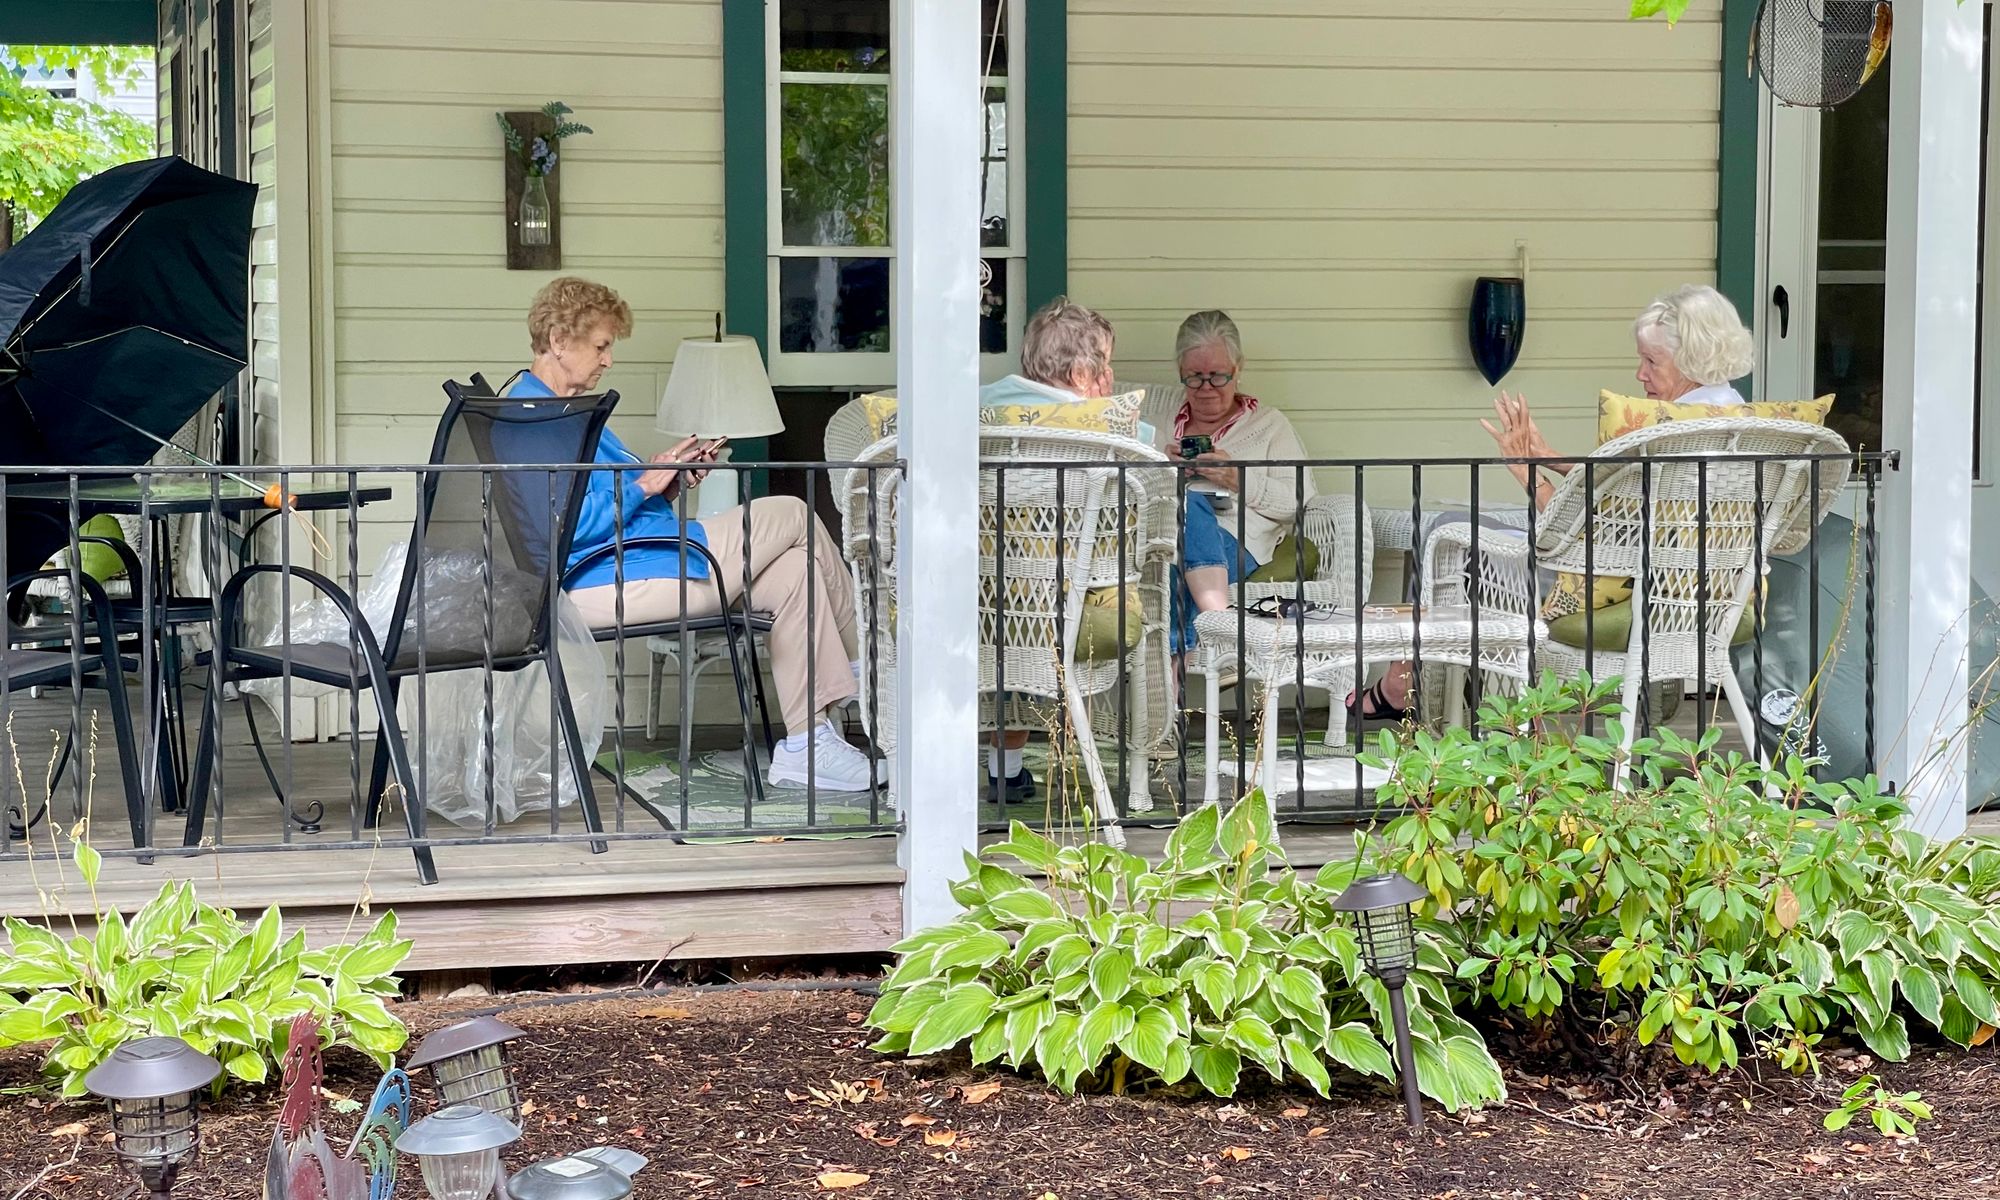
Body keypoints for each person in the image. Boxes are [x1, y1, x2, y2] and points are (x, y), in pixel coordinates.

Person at [508, 277, 880, 792]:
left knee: (798, 571)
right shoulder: (528, 422)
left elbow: (616, 501)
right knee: (793, 511)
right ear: (557, 341)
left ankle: (805, 743)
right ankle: (869, 669)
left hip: (643, 558)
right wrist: (645, 481)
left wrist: (666, 482)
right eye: (601, 345)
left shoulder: (569, 413)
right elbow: (561, 531)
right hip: (604, 578)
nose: (608, 360)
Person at [1352, 283, 1757, 720]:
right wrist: (1547, 458)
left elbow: (1590, 540)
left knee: (1448, 533)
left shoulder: (1664, 433)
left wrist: (1526, 472)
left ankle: (1410, 695)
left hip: (1617, 597)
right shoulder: (1745, 427)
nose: (1640, 374)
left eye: (1651, 361)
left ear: (1690, 358)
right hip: (1715, 598)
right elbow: (1624, 498)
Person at [974, 297, 1126, 801]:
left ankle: (1006, 767)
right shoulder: (1108, 427)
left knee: (1003, 642)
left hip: (982, 597)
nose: (1110, 373)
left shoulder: (980, 411)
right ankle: (1151, 754)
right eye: (1105, 363)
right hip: (1076, 604)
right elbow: (1152, 491)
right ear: (1086, 373)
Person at [1164, 310, 1313, 651]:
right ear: (1180, 372)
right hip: (1163, 540)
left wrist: (1238, 478)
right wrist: (1162, 470)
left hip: (1236, 540)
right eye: (1194, 377)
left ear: (1238, 368)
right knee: (1169, 557)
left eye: (1218, 377)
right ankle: (1219, 634)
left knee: (1186, 526)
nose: (1206, 389)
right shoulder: (1159, 419)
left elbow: (1299, 501)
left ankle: (1176, 671)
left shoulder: (1270, 425)